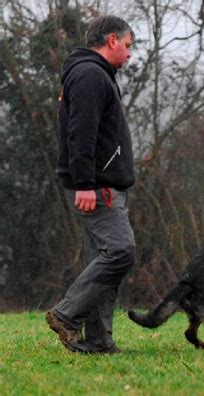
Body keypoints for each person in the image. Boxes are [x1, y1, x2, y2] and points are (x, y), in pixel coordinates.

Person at [46, 15, 136, 354]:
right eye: (127, 46)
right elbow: (80, 133)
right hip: (96, 188)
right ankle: (67, 314)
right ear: (111, 40)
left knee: (105, 256)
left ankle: (98, 340)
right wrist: (84, 183)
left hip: (100, 184)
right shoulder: (90, 75)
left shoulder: (93, 74)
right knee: (120, 251)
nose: (129, 54)